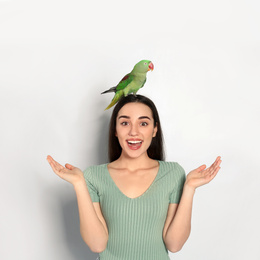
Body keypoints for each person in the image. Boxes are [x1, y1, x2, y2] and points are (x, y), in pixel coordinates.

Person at [47, 94, 221, 260]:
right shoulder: (94, 176)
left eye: (143, 123)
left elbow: (174, 244)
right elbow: (97, 245)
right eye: (124, 123)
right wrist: (79, 183)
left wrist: (189, 188)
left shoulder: (173, 173)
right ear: (115, 130)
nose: (133, 132)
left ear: (155, 130)